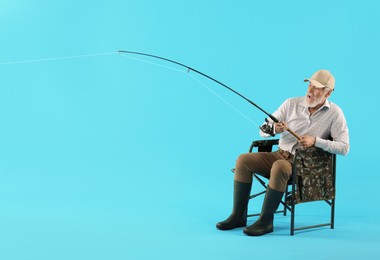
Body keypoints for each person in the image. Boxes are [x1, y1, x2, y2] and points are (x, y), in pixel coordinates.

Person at [216, 69, 349, 236]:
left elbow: (344, 147)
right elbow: (262, 130)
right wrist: (274, 128)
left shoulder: (335, 114)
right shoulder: (290, 103)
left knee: (280, 166)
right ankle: (238, 216)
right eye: (310, 85)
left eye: (317, 88)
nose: (310, 90)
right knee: (243, 159)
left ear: (328, 93)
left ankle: (266, 221)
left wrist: (315, 141)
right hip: (279, 154)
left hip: (305, 166)